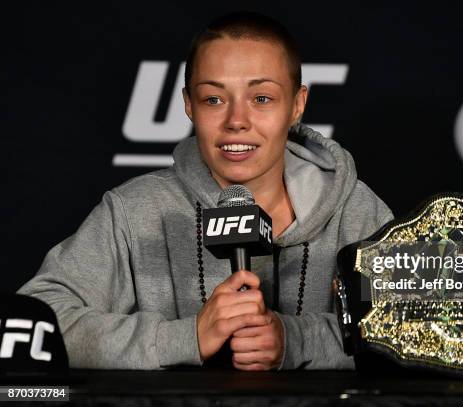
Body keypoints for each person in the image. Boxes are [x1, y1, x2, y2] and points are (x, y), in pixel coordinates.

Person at [18, 11, 393, 370]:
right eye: (214, 99)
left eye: (261, 98)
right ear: (188, 105)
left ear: (297, 105)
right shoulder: (134, 211)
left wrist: (295, 341)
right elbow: (35, 322)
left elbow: (422, 332)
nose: (236, 121)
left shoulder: (357, 211)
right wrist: (185, 337)